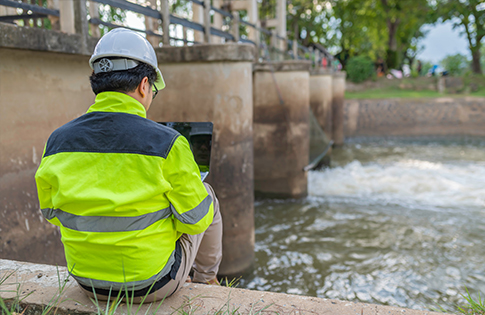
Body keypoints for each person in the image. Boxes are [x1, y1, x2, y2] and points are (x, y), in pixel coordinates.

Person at [34, 28, 223, 302]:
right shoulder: (169, 143)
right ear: (144, 85)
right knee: (207, 197)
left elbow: (51, 212)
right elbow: (195, 220)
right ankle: (208, 281)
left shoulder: (57, 141)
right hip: (152, 284)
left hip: (86, 282)